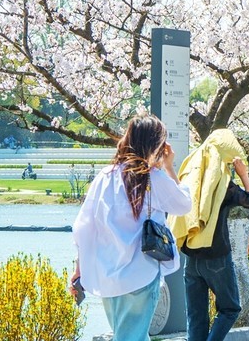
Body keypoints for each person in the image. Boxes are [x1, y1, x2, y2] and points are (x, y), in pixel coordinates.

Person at [71, 115, 192, 341]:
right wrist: (169, 167)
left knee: (128, 335)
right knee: (132, 337)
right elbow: (184, 204)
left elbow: (83, 228)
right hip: (140, 273)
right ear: (156, 144)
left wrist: (80, 268)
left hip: (108, 275)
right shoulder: (151, 177)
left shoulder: (105, 176)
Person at [171, 129, 249, 341]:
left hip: (191, 255)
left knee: (196, 316)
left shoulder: (191, 174)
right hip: (217, 255)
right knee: (230, 308)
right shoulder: (223, 183)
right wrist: (244, 174)